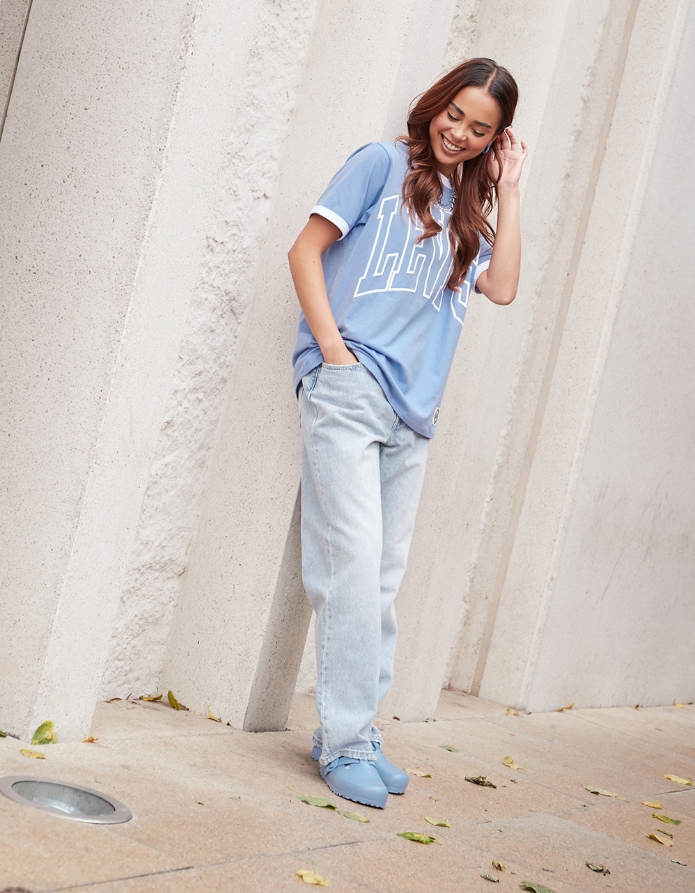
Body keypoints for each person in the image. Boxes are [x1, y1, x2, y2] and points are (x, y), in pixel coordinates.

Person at [288, 57, 527, 809]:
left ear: (495, 140)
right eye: (454, 115)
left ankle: (356, 732)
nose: (460, 133)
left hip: (413, 416)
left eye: (480, 129)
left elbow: (503, 288)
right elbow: (304, 250)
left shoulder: (467, 211)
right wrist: (332, 352)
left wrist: (510, 189)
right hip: (350, 388)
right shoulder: (379, 163)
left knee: (381, 583)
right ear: (435, 104)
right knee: (350, 569)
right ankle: (345, 743)